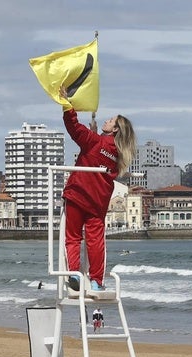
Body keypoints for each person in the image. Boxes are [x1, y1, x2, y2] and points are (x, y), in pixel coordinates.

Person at [60, 86, 137, 292]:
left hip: (78, 194)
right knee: (95, 241)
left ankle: (74, 273)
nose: (106, 120)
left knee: (73, 237)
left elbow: (74, 127)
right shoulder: (119, 155)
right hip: (97, 203)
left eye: (110, 121)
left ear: (115, 129)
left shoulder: (94, 142)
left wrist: (67, 104)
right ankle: (96, 281)